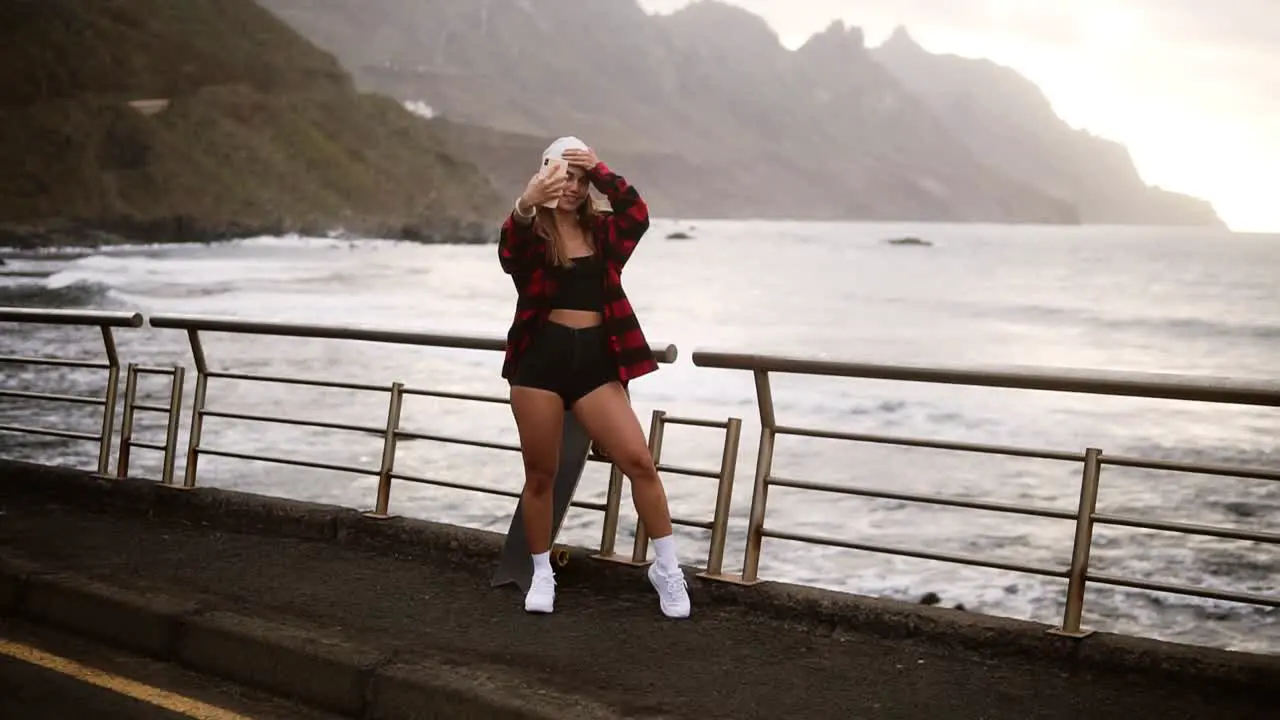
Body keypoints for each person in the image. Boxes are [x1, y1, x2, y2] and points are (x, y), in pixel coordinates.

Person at [498, 136, 690, 619]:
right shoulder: (531, 234)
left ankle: (666, 569)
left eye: (579, 180)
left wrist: (600, 168)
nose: (571, 187)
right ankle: (541, 572)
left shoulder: (604, 232)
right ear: (546, 177)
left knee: (639, 462)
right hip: (539, 362)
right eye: (563, 176)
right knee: (541, 475)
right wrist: (527, 200)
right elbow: (508, 252)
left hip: (596, 364)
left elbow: (638, 212)